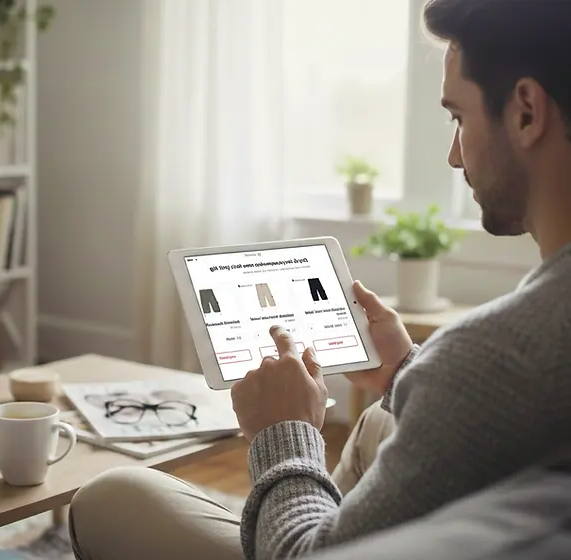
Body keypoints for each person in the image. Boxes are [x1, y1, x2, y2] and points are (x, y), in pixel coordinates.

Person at [68, 0, 571, 558]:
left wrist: (285, 433)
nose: (453, 156)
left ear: (526, 111)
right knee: (381, 417)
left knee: (112, 493)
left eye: (458, 118)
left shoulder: (497, 356)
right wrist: (408, 371)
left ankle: (294, 509)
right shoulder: (508, 354)